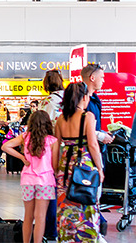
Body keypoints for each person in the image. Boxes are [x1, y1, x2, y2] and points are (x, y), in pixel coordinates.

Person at [55, 82, 104, 242]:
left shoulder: (61, 119)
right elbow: (92, 144)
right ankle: (86, 237)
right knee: (87, 201)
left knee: (65, 203)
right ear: (84, 97)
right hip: (84, 166)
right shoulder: (87, 117)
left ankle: (67, 237)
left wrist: (56, 169)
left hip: (65, 166)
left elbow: (56, 145)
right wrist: (100, 168)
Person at [2, 110, 59, 243]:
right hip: (45, 181)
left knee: (28, 216)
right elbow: (54, 164)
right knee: (40, 217)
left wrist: (22, 158)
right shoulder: (52, 141)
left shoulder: (25, 136)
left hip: (27, 180)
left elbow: (5, 146)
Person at [81, 63, 113, 238]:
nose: (104, 80)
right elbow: (80, 126)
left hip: (95, 149)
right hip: (86, 154)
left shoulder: (94, 99)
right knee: (90, 192)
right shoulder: (82, 99)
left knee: (94, 193)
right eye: (102, 77)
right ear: (92, 78)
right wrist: (99, 136)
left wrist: (101, 135)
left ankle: (92, 229)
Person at [38, 69, 65, 241]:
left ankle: (50, 230)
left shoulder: (46, 102)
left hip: (49, 149)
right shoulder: (70, 100)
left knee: (50, 190)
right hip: (67, 147)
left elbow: (41, 127)